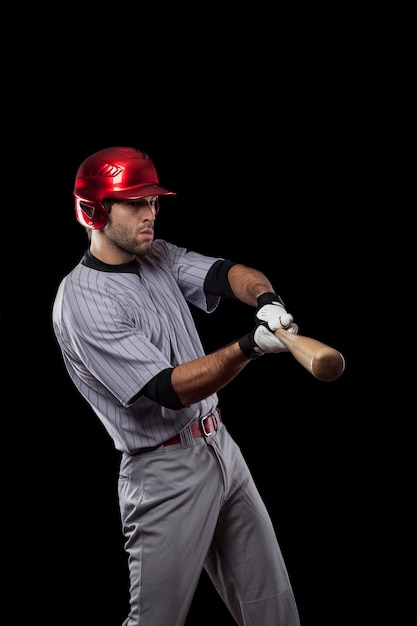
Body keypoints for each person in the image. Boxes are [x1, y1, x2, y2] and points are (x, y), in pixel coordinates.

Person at [52, 146, 302, 626]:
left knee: (273, 610)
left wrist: (267, 301)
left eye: (154, 201)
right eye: (135, 203)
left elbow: (225, 274)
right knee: (155, 622)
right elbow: (170, 390)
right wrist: (250, 346)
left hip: (219, 446)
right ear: (95, 210)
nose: (151, 214)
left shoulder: (158, 255)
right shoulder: (82, 302)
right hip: (162, 474)